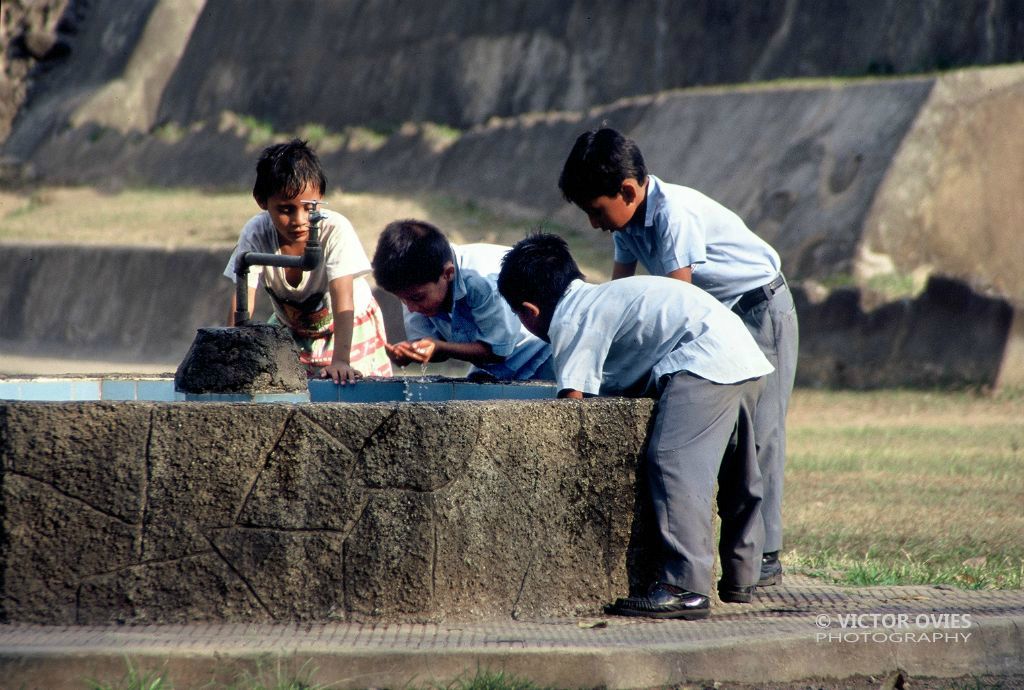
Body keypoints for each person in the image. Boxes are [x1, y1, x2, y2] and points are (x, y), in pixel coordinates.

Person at [558, 127, 798, 587]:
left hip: (758, 309)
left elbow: (679, 300)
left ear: (627, 190)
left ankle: (764, 556)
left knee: (759, 435)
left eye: (596, 211)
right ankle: (744, 565)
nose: (593, 223)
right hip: (718, 321)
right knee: (729, 441)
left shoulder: (674, 215)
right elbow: (619, 295)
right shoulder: (628, 223)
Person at [497, 233, 774, 620]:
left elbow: (571, 406)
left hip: (701, 362)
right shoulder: (601, 297)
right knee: (739, 472)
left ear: (529, 312)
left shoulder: (572, 317)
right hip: (742, 354)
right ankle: (743, 574)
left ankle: (684, 587)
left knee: (671, 462)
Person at [224, 139, 392, 382]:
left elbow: (343, 296)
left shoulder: (335, 229)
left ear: (321, 196)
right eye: (285, 209)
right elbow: (243, 296)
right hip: (293, 330)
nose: (299, 220)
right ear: (262, 201)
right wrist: (232, 355)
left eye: (308, 208)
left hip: (347, 328)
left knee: (352, 389)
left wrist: (341, 361)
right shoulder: (256, 232)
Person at [371, 219, 552, 380]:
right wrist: (411, 352)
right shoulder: (414, 288)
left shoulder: (482, 281)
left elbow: (497, 352)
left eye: (416, 298)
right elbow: (432, 347)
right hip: (496, 369)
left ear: (448, 274)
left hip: (541, 353)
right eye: (402, 300)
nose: (410, 308)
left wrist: (438, 347)